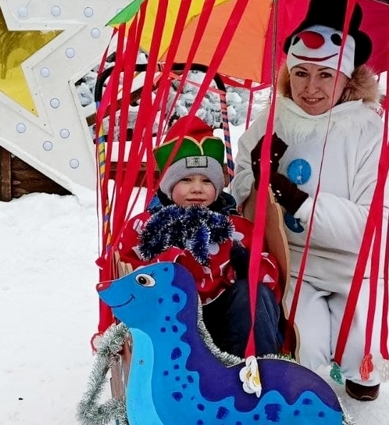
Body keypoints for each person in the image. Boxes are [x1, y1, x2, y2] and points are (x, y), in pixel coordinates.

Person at [230, 0, 389, 401]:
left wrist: (301, 201)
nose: (310, 88)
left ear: (348, 77)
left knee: (364, 349)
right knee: (303, 346)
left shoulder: (368, 129)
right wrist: (256, 183)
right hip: (294, 258)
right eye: (301, 73)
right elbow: (241, 174)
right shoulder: (274, 115)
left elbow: (380, 223)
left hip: (359, 264)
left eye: (325, 75)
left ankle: (361, 370)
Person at [115, 116, 283, 358]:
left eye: (206, 180)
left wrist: (249, 263)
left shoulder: (235, 227)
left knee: (253, 295)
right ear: (168, 185)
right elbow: (129, 272)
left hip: (229, 325)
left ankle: (257, 369)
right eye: (186, 179)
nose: (197, 188)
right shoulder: (147, 227)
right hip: (173, 327)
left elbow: (269, 278)